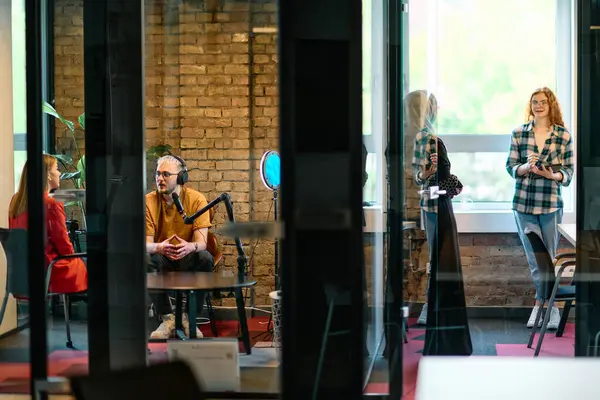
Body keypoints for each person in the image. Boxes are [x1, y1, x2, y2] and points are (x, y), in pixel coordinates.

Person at [506, 87, 574, 330]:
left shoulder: (563, 136)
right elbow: (511, 167)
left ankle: (549, 307)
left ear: (551, 105)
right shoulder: (518, 133)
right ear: (531, 105)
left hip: (550, 205)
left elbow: (568, 173)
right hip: (523, 204)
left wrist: (551, 174)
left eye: (543, 102)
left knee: (550, 257)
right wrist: (526, 167)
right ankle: (542, 305)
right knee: (536, 260)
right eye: (534, 102)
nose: (538, 106)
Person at [413, 93, 472, 356]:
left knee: (439, 260)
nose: (436, 109)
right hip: (436, 207)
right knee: (440, 262)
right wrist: (432, 174)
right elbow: (422, 178)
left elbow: (434, 177)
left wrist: (444, 179)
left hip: (437, 204)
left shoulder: (430, 137)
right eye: (432, 106)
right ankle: (432, 309)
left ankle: (432, 309)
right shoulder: (425, 139)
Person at [146, 155, 214, 339]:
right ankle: (168, 318)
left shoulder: (197, 199)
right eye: (158, 174)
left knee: (205, 258)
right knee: (146, 260)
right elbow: (147, 244)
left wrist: (189, 247)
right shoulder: (148, 201)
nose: (160, 178)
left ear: (181, 177)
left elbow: (202, 243)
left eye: (166, 174)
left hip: (187, 255)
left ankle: (189, 317)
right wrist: (159, 247)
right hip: (162, 255)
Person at [8, 154, 87, 294]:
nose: (60, 173)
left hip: (22, 272)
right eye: (57, 169)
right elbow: (64, 246)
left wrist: (83, 194)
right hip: (48, 269)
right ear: (48, 175)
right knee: (88, 263)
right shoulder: (51, 203)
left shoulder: (16, 200)